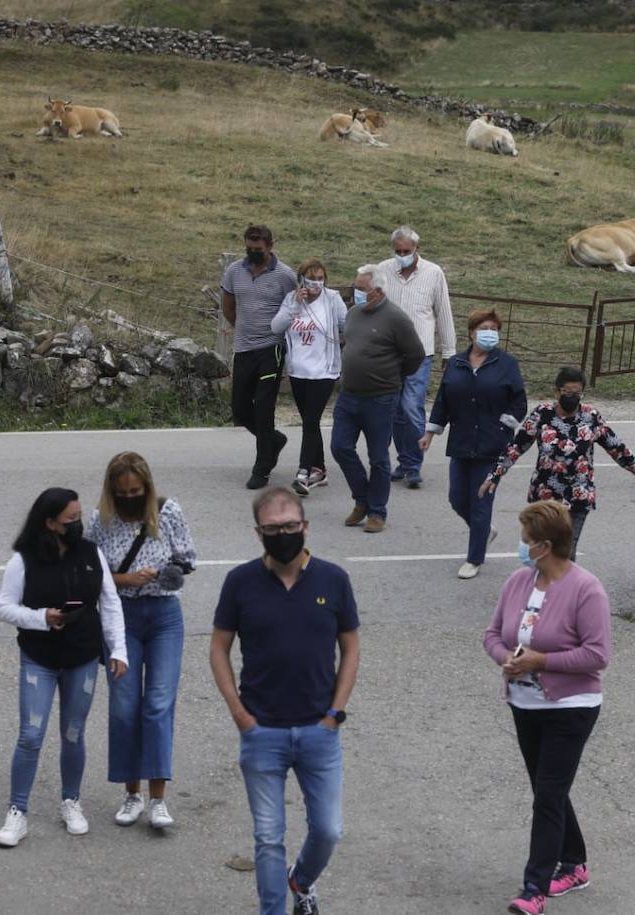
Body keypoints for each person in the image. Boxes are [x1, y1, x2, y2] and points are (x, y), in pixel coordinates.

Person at [210, 487, 361, 915]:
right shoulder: (240, 582)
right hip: (262, 732)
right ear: (258, 533)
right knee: (268, 838)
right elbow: (219, 648)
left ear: (305, 526)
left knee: (329, 830)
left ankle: (302, 880)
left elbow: (350, 646)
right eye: (273, 528)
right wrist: (239, 713)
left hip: (319, 730)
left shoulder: (333, 579)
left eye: (290, 526)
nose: (283, 535)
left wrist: (335, 713)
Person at [483, 501, 611, 915]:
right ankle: (574, 864)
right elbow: (492, 635)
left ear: (545, 545)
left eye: (526, 540)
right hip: (525, 703)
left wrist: (542, 661)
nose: (521, 547)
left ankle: (534, 889)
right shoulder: (517, 582)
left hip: (571, 707)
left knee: (548, 796)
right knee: (548, 790)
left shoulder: (586, 589)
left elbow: (597, 655)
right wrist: (505, 657)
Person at [0, 487, 128, 847]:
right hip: (39, 658)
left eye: (79, 517)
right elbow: (4, 608)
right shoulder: (23, 559)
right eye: (71, 519)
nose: (78, 524)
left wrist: (119, 650)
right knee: (30, 735)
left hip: (82, 658)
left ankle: (71, 800)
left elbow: (110, 602)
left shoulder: (91, 553)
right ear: (50, 523)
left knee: (73, 733)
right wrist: (41, 618)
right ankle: (17, 810)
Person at [87, 452, 198, 830]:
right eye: (122, 493)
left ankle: (158, 800)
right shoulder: (100, 521)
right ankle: (131, 793)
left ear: (147, 488)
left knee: (159, 704)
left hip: (165, 615)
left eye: (136, 492)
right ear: (112, 492)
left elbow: (187, 559)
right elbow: (88, 573)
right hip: (121, 619)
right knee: (124, 706)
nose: (129, 498)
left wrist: (165, 574)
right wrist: (123, 580)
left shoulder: (168, 512)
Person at [481, 367, 635, 559]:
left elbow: (615, 445)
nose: (573, 397)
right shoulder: (542, 414)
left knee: (564, 555)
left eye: (577, 393)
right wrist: (495, 474)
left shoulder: (591, 416)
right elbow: (516, 447)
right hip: (545, 496)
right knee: (542, 553)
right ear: (557, 392)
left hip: (578, 495)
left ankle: (565, 579)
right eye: (568, 392)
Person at [420, 307, 528, 579]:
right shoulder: (457, 363)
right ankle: (484, 532)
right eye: (484, 329)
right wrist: (430, 433)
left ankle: (474, 558)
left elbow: (519, 401)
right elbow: (443, 400)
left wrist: (504, 424)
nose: (489, 333)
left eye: (494, 329)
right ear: (471, 333)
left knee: (480, 501)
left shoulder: (507, 364)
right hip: (462, 441)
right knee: (457, 498)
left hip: (492, 444)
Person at [331, 264, 426, 534]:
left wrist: (394, 376)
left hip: (381, 399)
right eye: (356, 287)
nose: (356, 293)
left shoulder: (396, 318)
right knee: (340, 447)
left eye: (361, 289)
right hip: (349, 396)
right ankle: (362, 498)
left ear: (379, 291)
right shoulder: (353, 314)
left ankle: (377, 511)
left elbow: (416, 355)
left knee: (378, 458)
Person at [222, 224, 299, 490]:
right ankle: (274, 440)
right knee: (240, 408)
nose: (253, 253)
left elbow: (296, 308)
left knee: (264, 407)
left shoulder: (285, 275)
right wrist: (243, 329)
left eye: (258, 249)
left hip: (272, 349)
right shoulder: (234, 271)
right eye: (249, 248)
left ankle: (262, 467)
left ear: (270, 246)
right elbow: (228, 306)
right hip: (244, 349)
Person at [378, 226, 455, 488]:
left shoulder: (433, 273)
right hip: (388, 353)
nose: (402, 256)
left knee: (412, 406)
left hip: (419, 353)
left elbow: (443, 311)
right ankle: (404, 460)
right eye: (398, 251)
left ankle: (413, 465)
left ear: (416, 249)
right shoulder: (383, 270)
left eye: (406, 251)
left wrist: (449, 350)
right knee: (395, 410)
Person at [271, 257, 348, 497]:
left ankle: (303, 473)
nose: (316, 283)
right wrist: (295, 304)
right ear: (301, 280)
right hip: (298, 370)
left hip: (324, 371)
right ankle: (320, 469)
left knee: (311, 421)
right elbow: (276, 327)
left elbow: (348, 325)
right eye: (311, 278)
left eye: (320, 278)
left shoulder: (332, 299)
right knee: (309, 421)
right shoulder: (291, 300)